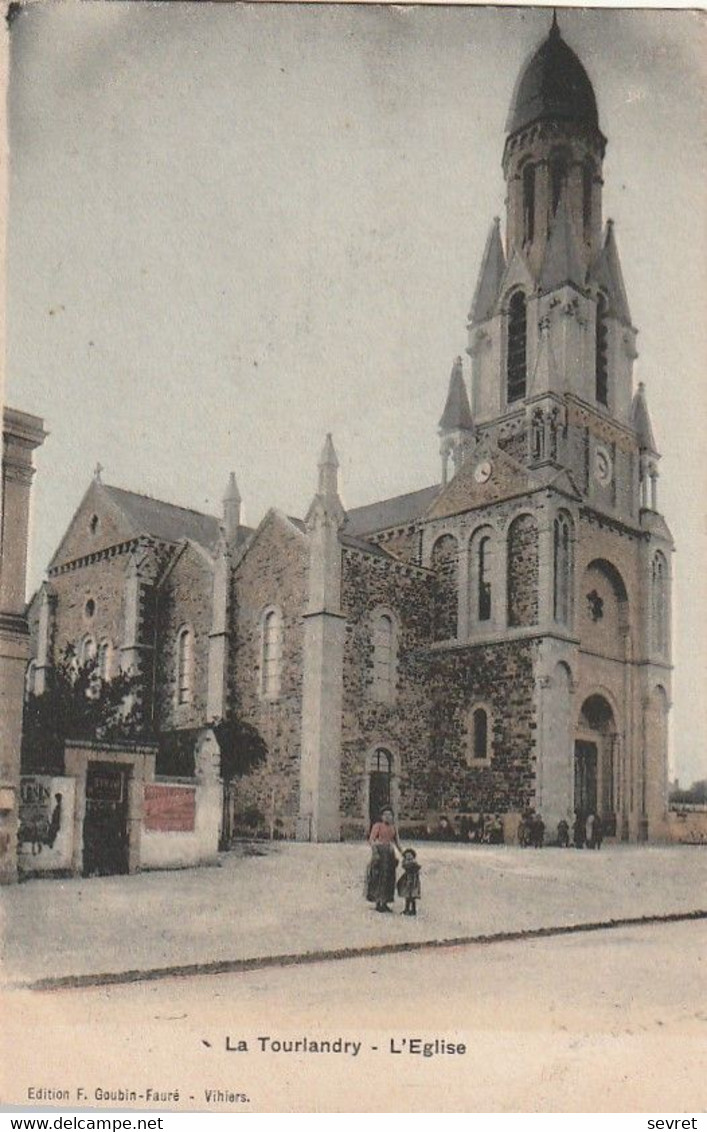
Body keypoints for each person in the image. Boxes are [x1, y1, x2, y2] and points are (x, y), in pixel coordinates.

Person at [366, 807, 402, 913]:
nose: (387, 817)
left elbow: (397, 843)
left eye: (390, 815)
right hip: (380, 853)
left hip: (390, 854)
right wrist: (375, 851)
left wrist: (403, 853)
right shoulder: (377, 826)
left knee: (389, 878)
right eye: (385, 814)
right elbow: (371, 840)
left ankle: (385, 902)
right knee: (378, 877)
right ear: (381, 817)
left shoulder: (393, 828)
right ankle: (378, 901)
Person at [397, 848, 422, 916]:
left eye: (410, 856)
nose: (408, 857)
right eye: (407, 856)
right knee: (407, 897)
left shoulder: (413, 864)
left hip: (413, 882)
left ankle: (413, 910)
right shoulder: (407, 864)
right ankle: (407, 909)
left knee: (412, 897)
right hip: (407, 882)